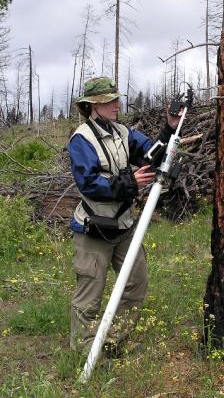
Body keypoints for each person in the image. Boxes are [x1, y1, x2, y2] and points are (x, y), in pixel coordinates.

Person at [68, 76, 181, 358]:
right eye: (110, 100)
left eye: (117, 99)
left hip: (123, 226)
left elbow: (152, 154)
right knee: (89, 298)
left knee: (136, 283)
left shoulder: (122, 132)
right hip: (93, 229)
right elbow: (89, 184)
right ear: (94, 105)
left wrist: (168, 128)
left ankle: (112, 343)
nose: (117, 105)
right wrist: (130, 183)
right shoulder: (82, 139)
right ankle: (85, 354)